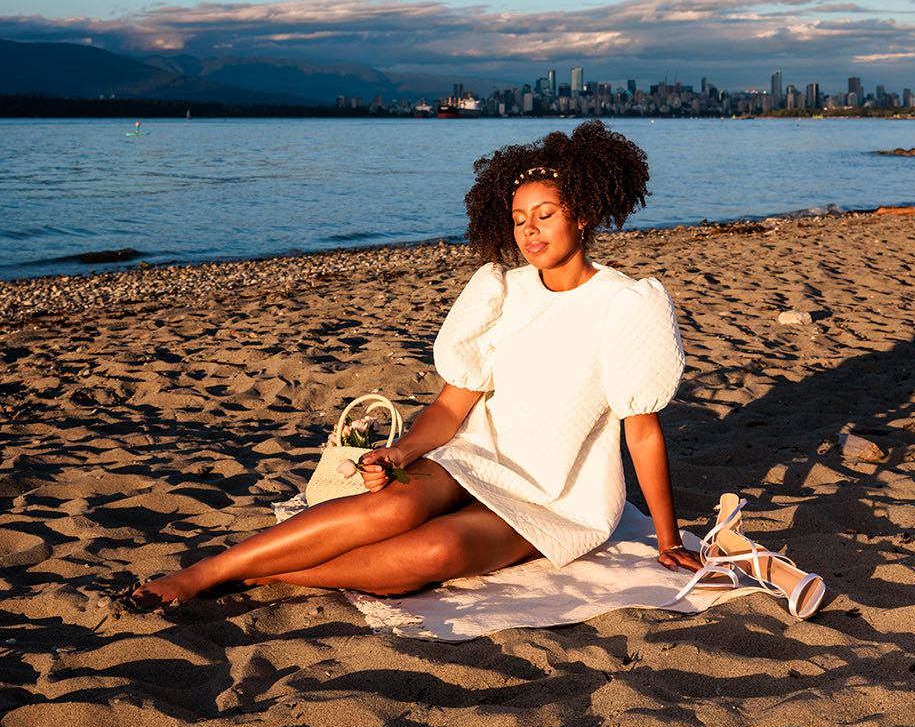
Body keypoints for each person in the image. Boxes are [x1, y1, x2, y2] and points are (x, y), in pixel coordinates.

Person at [131, 120, 699, 608]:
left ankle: (258, 572)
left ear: (583, 215)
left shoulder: (626, 303)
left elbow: (642, 432)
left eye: (546, 215)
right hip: (474, 458)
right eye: (520, 217)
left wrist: (667, 538)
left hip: (555, 494)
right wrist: (400, 452)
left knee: (437, 550)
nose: (529, 230)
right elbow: (454, 405)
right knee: (393, 507)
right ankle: (199, 574)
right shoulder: (503, 291)